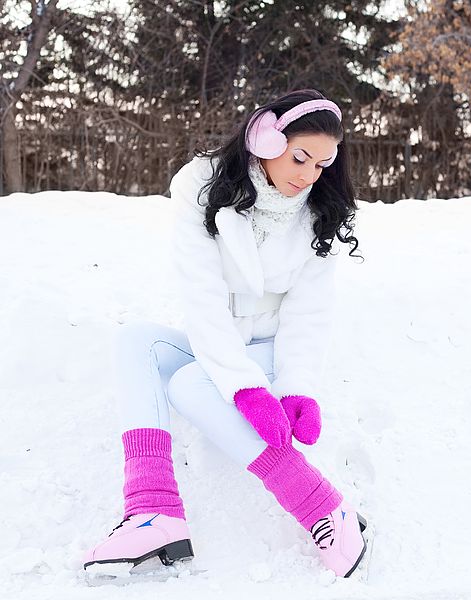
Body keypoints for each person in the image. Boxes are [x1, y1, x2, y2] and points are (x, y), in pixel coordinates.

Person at [82, 88, 367, 578]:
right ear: (264, 138)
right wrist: (243, 386)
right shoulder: (202, 186)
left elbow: (310, 311)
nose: (308, 175)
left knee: (190, 385)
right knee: (137, 343)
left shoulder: (322, 209)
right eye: (300, 157)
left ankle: (323, 505)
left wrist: (295, 387)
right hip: (221, 337)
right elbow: (202, 296)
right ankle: (154, 512)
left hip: (272, 346)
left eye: (322, 163)